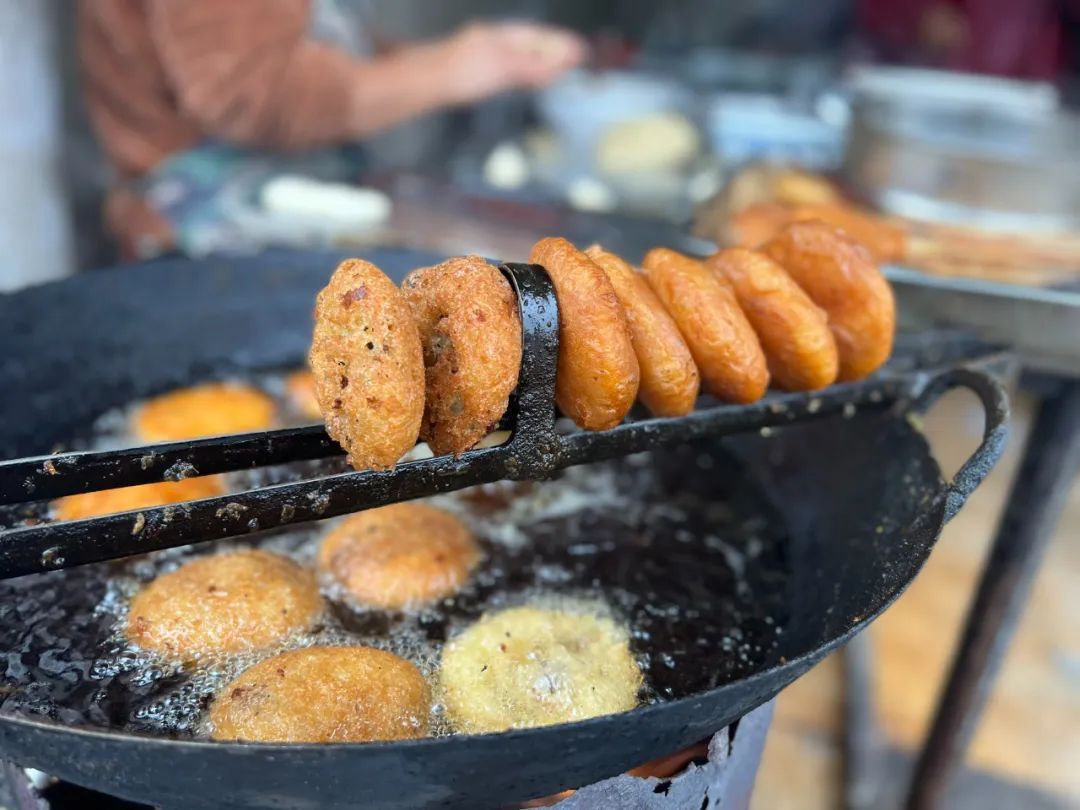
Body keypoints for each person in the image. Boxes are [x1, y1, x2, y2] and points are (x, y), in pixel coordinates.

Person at [78, 0, 585, 259]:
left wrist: (455, 57)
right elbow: (250, 93)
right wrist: (452, 69)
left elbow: (306, 44)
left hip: (297, 187)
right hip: (201, 223)